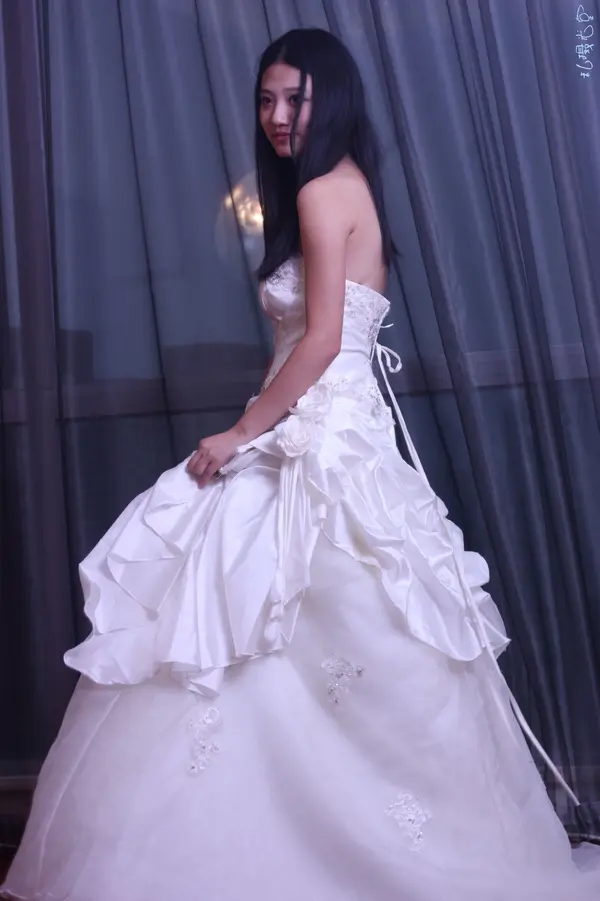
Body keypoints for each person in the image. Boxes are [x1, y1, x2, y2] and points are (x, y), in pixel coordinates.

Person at [2, 28, 599, 901]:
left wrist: (240, 433)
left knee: (285, 616)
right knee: (287, 617)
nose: (278, 116)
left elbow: (320, 341)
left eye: (297, 98)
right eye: (267, 99)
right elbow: (303, 344)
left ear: (335, 98)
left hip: (323, 434)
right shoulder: (348, 187)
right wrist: (258, 423)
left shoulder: (324, 191)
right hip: (327, 422)